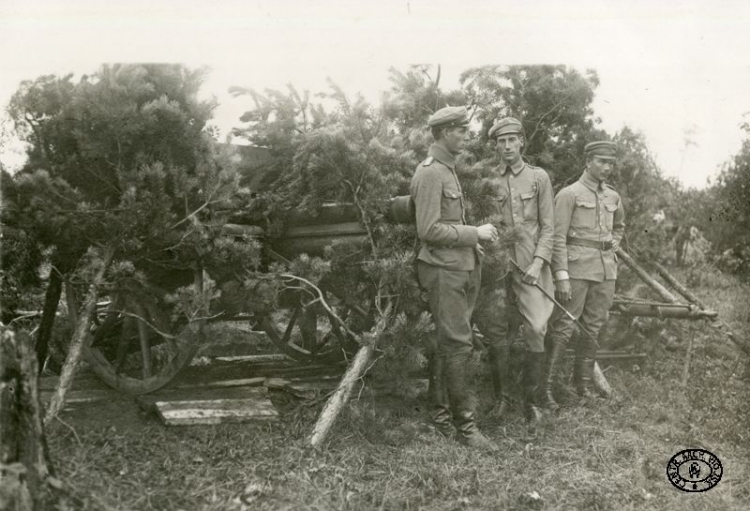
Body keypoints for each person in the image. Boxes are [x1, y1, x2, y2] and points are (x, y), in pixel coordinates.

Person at [411, 106, 498, 450]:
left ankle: (440, 416)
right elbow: (428, 229)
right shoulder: (431, 173)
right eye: (461, 130)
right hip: (443, 269)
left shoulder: (447, 168)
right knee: (458, 344)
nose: (466, 135)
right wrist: (474, 232)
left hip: (459, 267)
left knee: (449, 342)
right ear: (445, 132)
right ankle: (466, 429)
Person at [475, 117, 555, 426]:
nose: (507, 146)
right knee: (496, 331)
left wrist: (538, 262)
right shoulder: (488, 180)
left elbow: (549, 227)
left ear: (521, 141)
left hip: (530, 266)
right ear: (495, 145)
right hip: (497, 265)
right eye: (501, 141)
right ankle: (501, 399)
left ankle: (532, 402)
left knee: (536, 328)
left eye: (512, 140)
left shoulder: (538, 178)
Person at [545, 141, 625, 407]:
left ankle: (583, 386)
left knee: (594, 325)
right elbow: (557, 237)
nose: (606, 167)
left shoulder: (613, 196)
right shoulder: (569, 194)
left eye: (610, 163)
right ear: (588, 161)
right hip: (576, 268)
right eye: (601, 161)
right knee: (565, 324)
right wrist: (562, 274)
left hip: (605, 270)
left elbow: (620, 226)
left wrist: (615, 241)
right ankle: (547, 388)